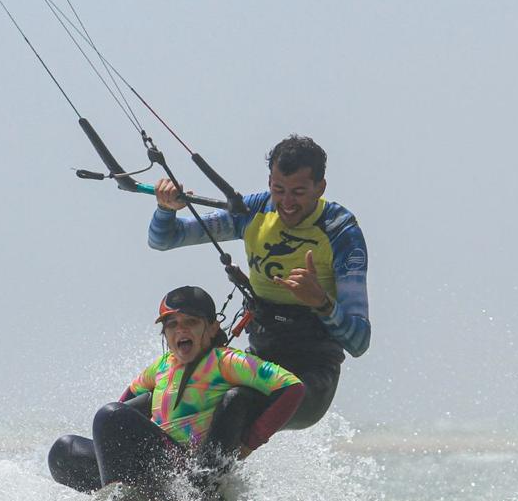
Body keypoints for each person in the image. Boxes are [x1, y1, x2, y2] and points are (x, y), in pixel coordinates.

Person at [149, 134, 370, 430]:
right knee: (169, 393)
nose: (286, 203)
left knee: (235, 401)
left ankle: (205, 464)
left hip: (310, 379)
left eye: (298, 192)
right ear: (269, 183)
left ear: (320, 188)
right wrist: (165, 209)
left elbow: (359, 342)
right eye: (278, 190)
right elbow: (165, 239)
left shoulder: (340, 233)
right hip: (259, 364)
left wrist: (322, 302)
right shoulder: (254, 211)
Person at [48, 286, 305, 501]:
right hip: (150, 465)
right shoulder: (162, 366)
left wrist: (247, 445)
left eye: (191, 322)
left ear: (212, 328)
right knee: (64, 451)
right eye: (172, 325)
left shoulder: (225, 361)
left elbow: (292, 387)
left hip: (184, 470)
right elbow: (122, 409)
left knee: (110, 415)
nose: (180, 331)